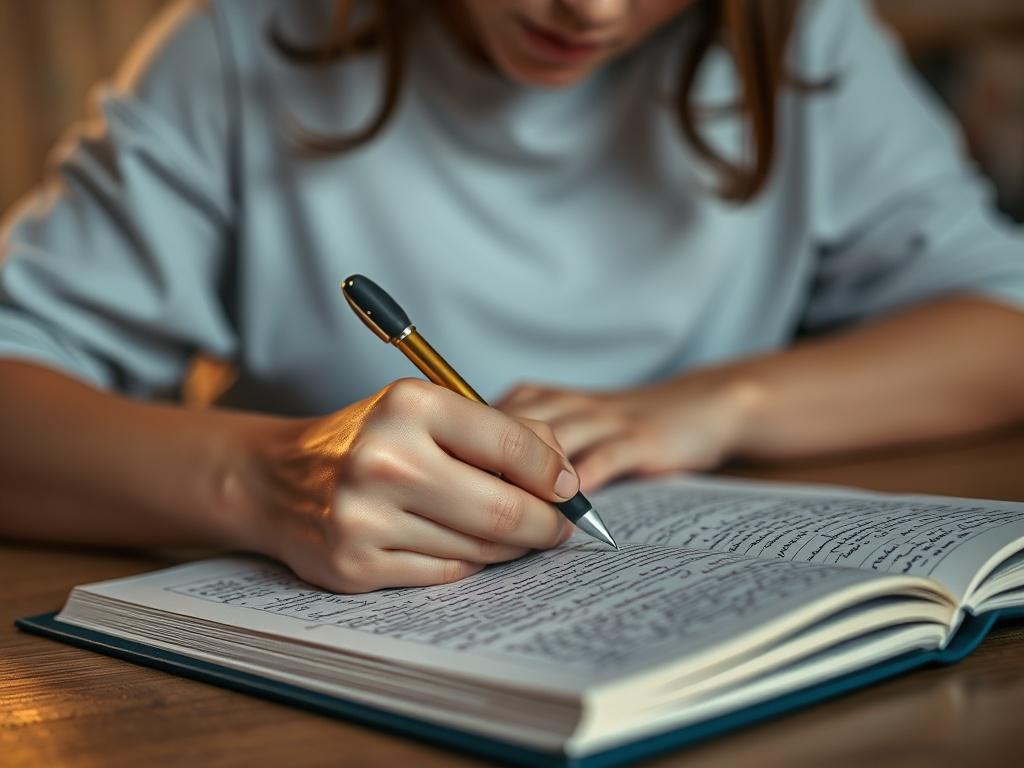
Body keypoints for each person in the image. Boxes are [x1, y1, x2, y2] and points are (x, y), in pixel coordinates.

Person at [1, 0, 1022, 593]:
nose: (592, 9)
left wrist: (717, 404)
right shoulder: (242, 39)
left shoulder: (802, 35)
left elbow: (1002, 320)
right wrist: (263, 482)